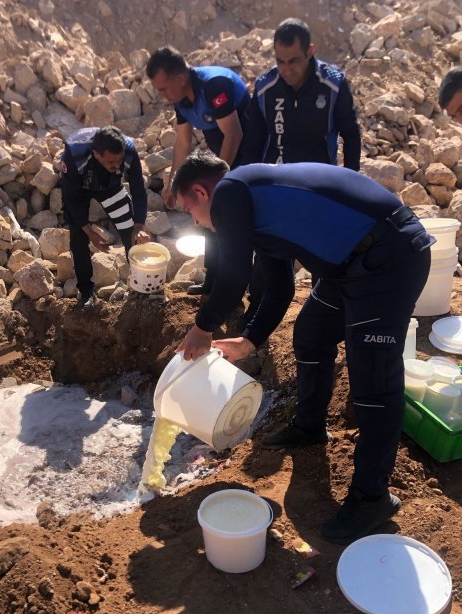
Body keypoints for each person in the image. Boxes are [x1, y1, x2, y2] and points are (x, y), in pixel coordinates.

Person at [172, 151, 433, 543]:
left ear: (200, 191)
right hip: (349, 265)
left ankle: (372, 497)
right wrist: (250, 340)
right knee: (311, 331)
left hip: (387, 258)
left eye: (190, 212)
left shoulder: (232, 190)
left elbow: (234, 274)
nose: (195, 222)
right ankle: (310, 425)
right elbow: (279, 288)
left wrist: (202, 327)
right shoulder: (257, 206)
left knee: (374, 385)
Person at [240, 18, 361, 331]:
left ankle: (326, 319)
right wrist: (245, 188)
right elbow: (252, 142)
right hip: (275, 187)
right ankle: (256, 314)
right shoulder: (265, 88)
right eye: (280, 61)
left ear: (310, 52)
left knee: (324, 256)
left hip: (320, 189)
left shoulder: (333, 84)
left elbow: (351, 133)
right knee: (267, 255)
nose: (287, 69)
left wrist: (351, 183)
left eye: (293, 60)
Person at [145, 46, 251, 294]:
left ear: (180, 79)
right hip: (222, 154)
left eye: (163, 88)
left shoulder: (213, 86)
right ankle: (213, 279)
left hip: (248, 153)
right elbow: (183, 142)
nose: (162, 95)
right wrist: (173, 184)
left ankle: (238, 289)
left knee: (233, 220)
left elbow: (234, 134)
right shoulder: (181, 100)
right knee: (207, 215)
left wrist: (219, 184)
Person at [60, 125, 149, 308]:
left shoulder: (129, 151)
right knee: (78, 236)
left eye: (119, 161)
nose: (117, 166)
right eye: (111, 162)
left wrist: (139, 226)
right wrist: (90, 232)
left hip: (110, 186)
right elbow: (71, 198)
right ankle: (86, 292)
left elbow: (139, 190)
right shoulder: (74, 155)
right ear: (96, 154)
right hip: (80, 189)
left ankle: (140, 284)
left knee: (129, 229)